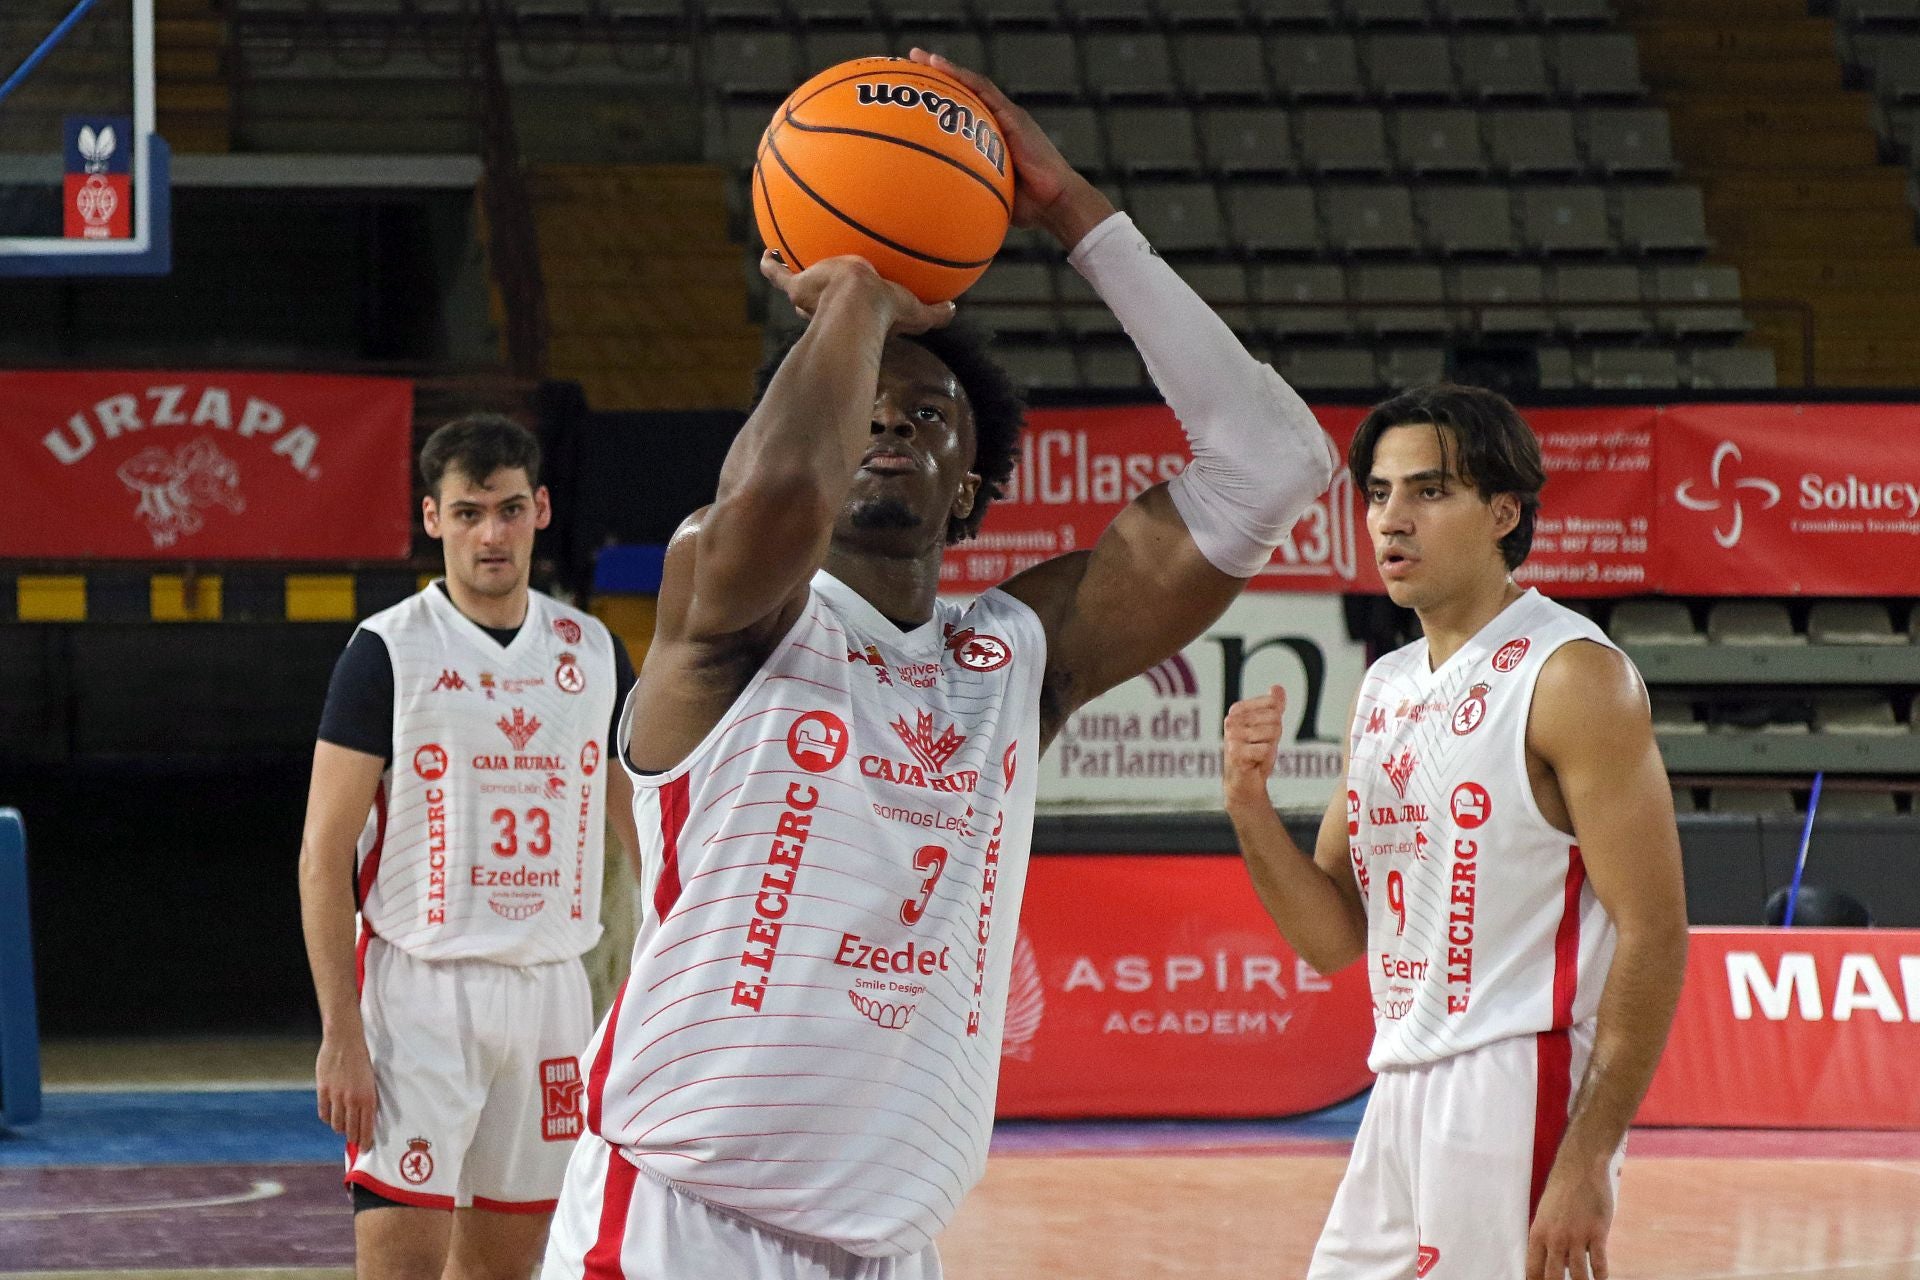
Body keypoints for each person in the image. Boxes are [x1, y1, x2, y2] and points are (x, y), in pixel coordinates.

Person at [539, 49, 1336, 1279]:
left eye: (926, 416)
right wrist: (862, 285)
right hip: (678, 1227)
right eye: (866, 404)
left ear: (972, 479)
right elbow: (783, 489)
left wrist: (1073, 212)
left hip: (893, 1245)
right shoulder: (728, 602)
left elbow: (1274, 461)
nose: (888, 424)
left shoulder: (1013, 657)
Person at [1220, 384, 1689, 1280]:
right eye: (1379, 493)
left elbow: (1656, 932)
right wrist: (1248, 805)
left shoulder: (1574, 674)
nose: (1393, 519)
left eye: (1429, 491)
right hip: (1399, 1083)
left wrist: (1587, 1156)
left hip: (1516, 1084)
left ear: (1503, 512)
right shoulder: (1386, 685)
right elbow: (1332, 937)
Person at [299, 414, 640, 1280]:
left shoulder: (594, 651)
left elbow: (646, 835)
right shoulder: (386, 650)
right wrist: (341, 1030)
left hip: (552, 996)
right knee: (404, 1262)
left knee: (506, 1269)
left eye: (510, 509)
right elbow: (322, 855)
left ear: (543, 510)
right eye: (468, 512)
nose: (492, 533)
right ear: (432, 518)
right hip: (421, 996)